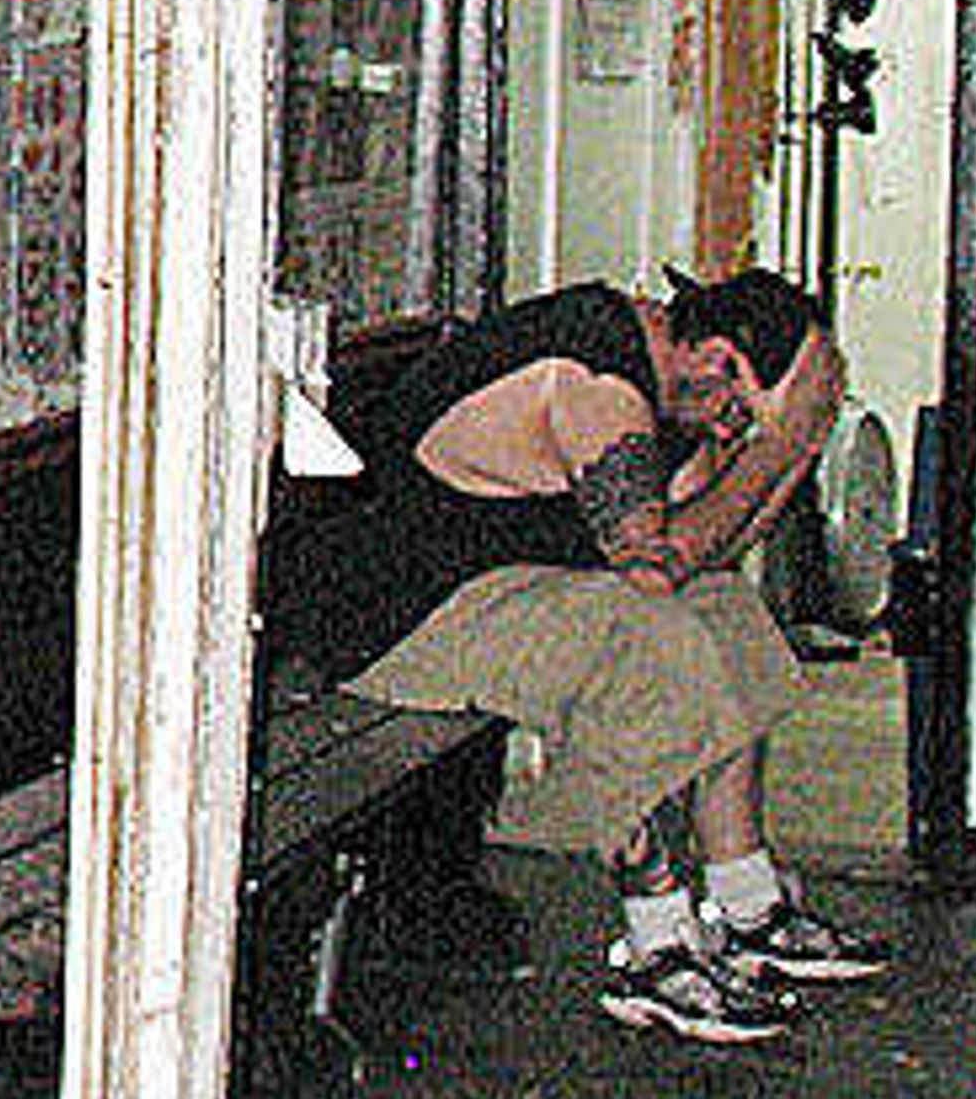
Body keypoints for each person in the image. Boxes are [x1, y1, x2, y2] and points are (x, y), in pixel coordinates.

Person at [280, 266, 887, 1045]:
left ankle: (748, 905)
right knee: (640, 641)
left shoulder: (679, 380)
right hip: (386, 616)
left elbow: (711, 550)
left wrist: (794, 447)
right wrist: (777, 444)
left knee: (728, 614)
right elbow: (654, 566)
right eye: (738, 411)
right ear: (716, 357)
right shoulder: (596, 378)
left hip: (491, 583)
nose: (731, 432)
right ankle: (656, 945)